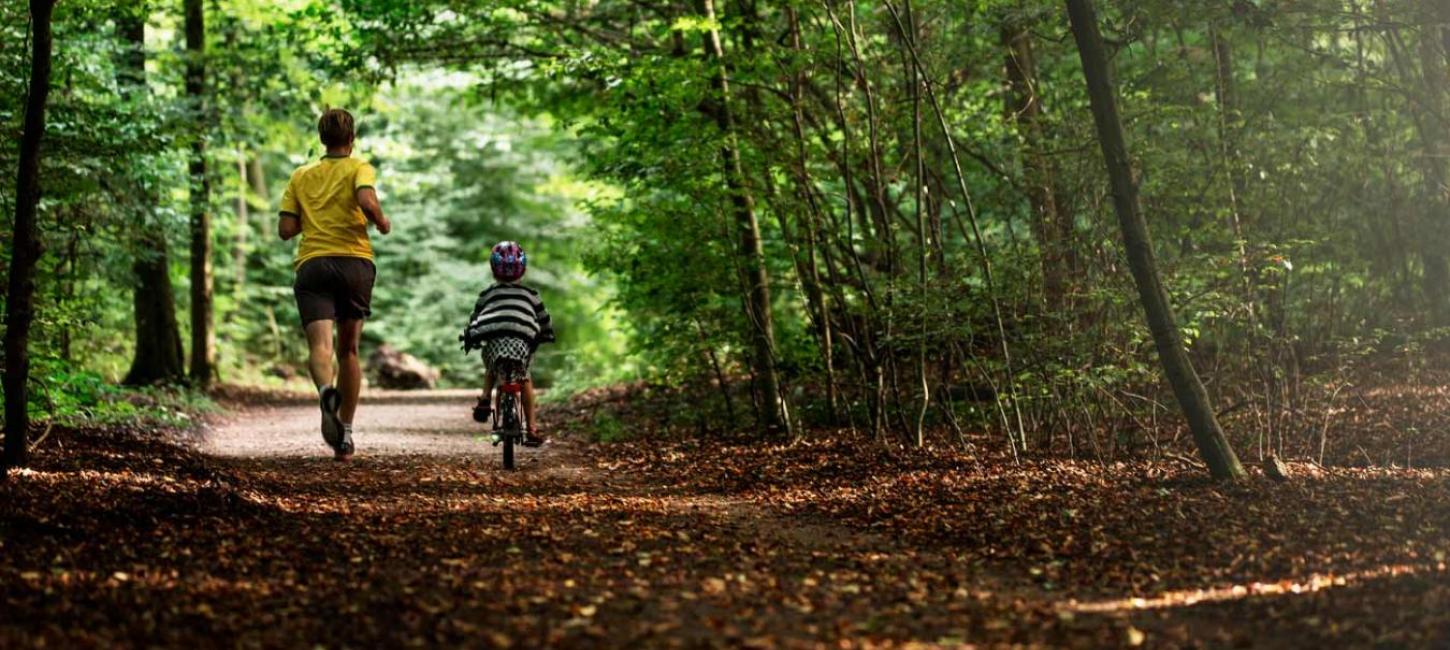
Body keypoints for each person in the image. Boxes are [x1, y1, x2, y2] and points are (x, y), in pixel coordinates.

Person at [277, 108, 392, 461]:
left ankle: (326, 390)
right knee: (349, 351)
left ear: (321, 138)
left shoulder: (301, 175)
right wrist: (382, 221)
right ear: (352, 138)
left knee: (320, 347)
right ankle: (345, 436)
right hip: (354, 263)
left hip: (312, 265)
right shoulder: (360, 167)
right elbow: (366, 200)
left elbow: (286, 229)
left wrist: (314, 215)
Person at [461, 241, 555, 446]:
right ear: (523, 269)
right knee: (525, 377)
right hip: (522, 342)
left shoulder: (487, 294)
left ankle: (486, 397)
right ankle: (532, 427)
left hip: (493, 339)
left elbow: (474, 318)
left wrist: (470, 336)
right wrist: (547, 334)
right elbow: (544, 319)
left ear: (493, 269)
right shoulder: (531, 295)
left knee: (493, 365)